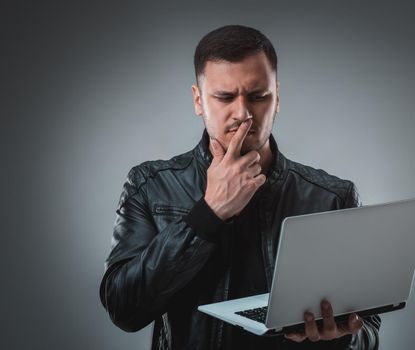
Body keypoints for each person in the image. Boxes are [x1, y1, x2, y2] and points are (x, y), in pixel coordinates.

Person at [99, 25, 381, 350]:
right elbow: (123, 309)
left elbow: (369, 333)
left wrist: (344, 337)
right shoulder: (150, 186)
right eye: (225, 97)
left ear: (277, 98)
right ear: (198, 100)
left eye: (258, 96)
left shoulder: (332, 197)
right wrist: (209, 213)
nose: (243, 113)